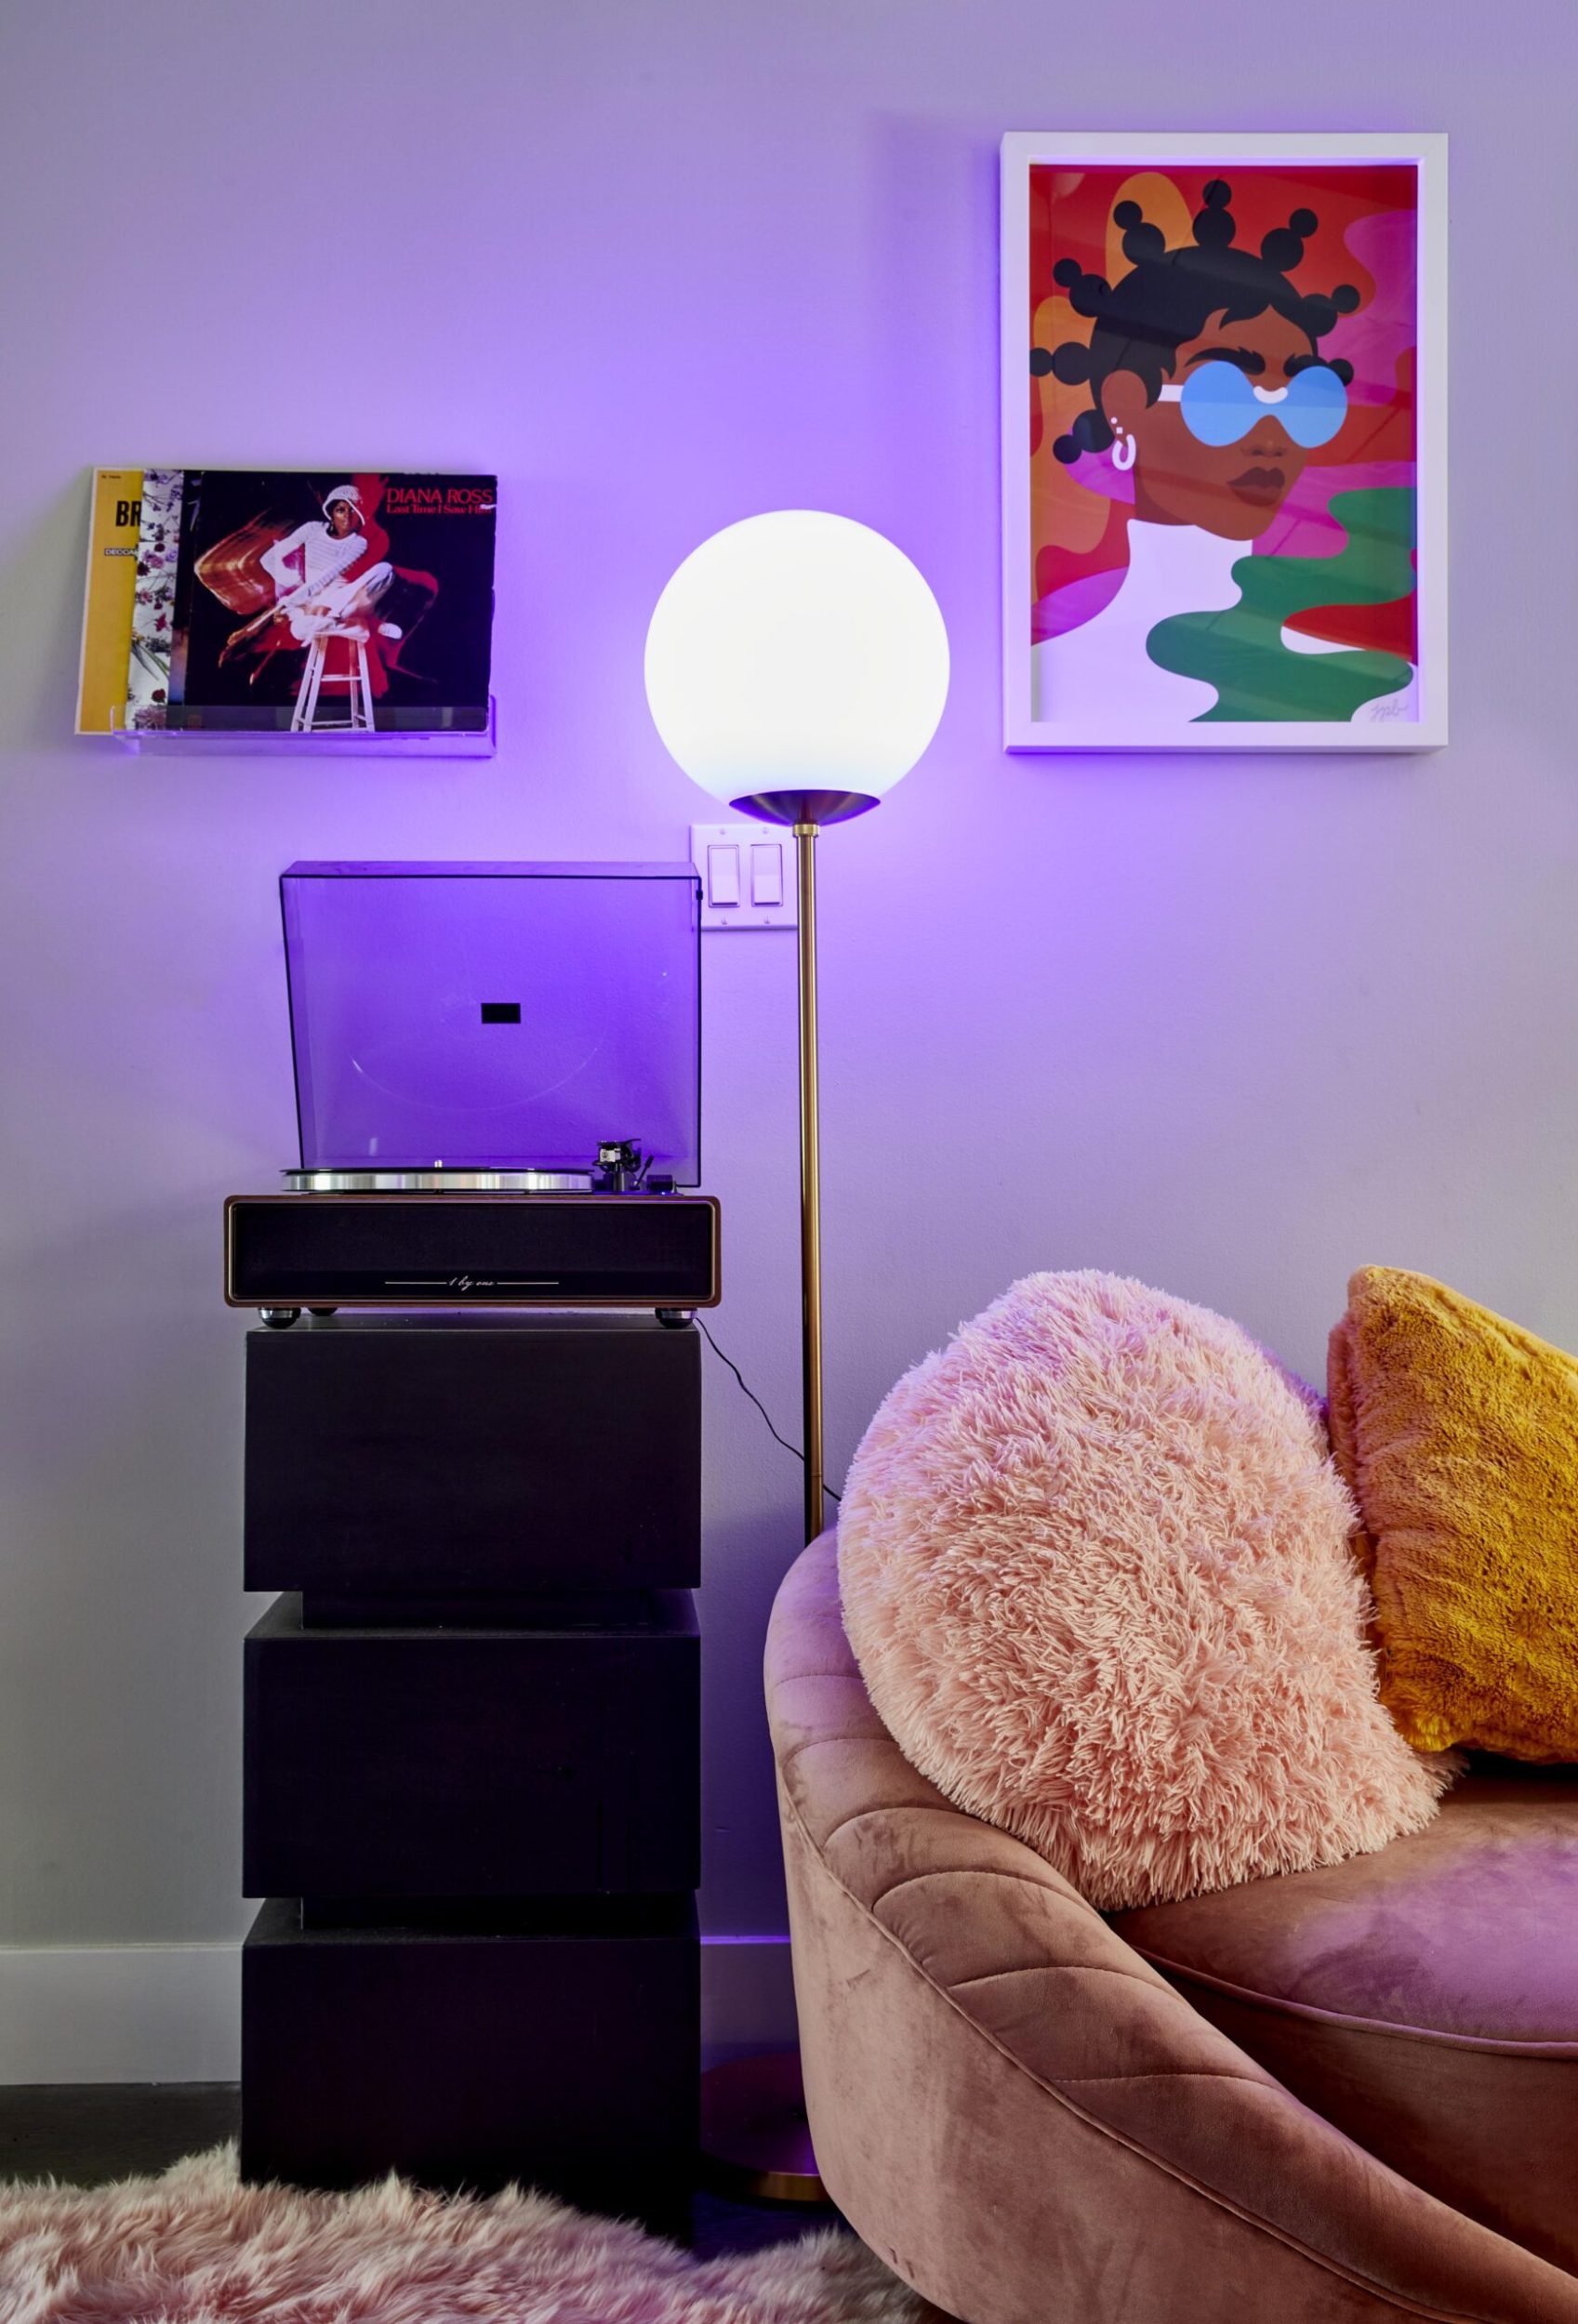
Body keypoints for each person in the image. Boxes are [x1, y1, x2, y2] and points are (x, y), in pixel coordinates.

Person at [1030, 182, 1412, 725]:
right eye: (1224, 394)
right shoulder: (1055, 684)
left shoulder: (1381, 700)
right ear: (1124, 406)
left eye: (1307, 401)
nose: (1273, 437)